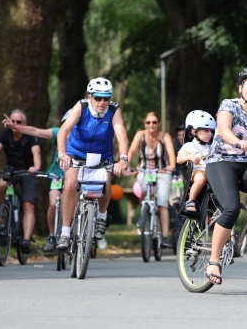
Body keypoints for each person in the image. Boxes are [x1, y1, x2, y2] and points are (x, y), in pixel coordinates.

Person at [205, 65, 247, 285]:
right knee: (231, 209)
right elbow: (223, 129)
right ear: (241, 87)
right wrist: (237, 141)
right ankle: (214, 261)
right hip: (221, 163)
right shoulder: (229, 105)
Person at [56, 77, 130, 251]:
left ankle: (101, 217)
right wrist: (62, 154)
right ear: (90, 96)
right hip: (76, 151)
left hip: (101, 154)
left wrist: (124, 159)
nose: (102, 102)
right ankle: (65, 234)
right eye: (98, 97)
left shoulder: (114, 109)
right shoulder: (81, 107)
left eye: (106, 98)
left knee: (105, 183)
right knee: (70, 184)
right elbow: (63, 131)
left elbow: (121, 135)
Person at [1, 110, 74, 252]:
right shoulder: (58, 133)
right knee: (54, 205)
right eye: (67, 123)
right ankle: (52, 236)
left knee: (74, 206)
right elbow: (36, 131)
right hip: (57, 176)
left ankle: (76, 233)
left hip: (76, 178)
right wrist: (15, 127)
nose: (70, 126)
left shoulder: (84, 136)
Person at [0, 109, 41, 254]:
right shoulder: (5, 134)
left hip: (28, 171)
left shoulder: (30, 135)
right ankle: (5, 211)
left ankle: (26, 240)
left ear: (24, 123)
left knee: (27, 205)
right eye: (12, 121)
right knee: (2, 184)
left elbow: (36, 153)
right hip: (11, 169)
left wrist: (36, 167)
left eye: (18, 122)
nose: (14, 124)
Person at [128, 112, 176, 248]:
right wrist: (126, 165)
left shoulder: (165, 136)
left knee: (162, 203)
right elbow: (131, 151)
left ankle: (165, 236)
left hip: (162, 171)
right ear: (145, 123)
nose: (151, 125)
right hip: (144, 170)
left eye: (154, 122)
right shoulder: (140, 135)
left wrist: (171, 166)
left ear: (159, 123)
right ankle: (143, 213)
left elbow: (171, 154)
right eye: (148, 122)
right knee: (143, 192)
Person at [176, 110, 216, 212]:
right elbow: (179, 159)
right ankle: (191, 201)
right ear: (194, 131)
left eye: (211, 131)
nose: (209, 134)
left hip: (210, 172)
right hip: (196, 172)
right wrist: (190, 157)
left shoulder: (211, 147)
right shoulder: (189, 146)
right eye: (206, 130)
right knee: (200, 179)